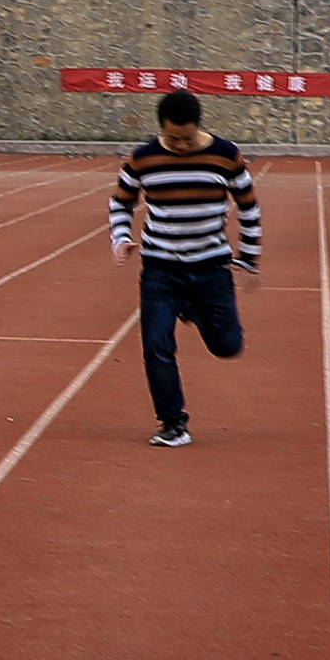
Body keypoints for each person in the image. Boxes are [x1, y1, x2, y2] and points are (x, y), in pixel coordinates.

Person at [107, 88, 260, 449]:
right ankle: (173, 422)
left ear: (199, 127)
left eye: (187, 139)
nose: (179, 145)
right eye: (172, 139)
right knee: (156, 344)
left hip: (211, 267)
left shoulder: (225, 155)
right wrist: (120, 238)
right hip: (160, 267)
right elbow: (121, 202)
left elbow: (249, 207)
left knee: (227, 345)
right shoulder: (143, 158)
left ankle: (193, 309)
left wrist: (249, 257)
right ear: (161, 129)